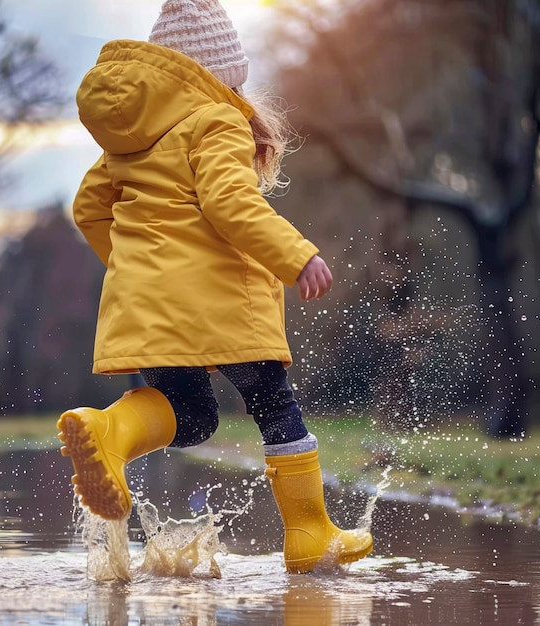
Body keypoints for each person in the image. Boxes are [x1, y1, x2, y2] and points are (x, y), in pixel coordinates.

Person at [57, 0, 373, 574]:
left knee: (190, 414)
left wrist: (138, 272)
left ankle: (111, 428)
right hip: (225, 303)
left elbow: (87, 210)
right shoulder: (216, 120)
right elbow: (230, 202)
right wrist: (295, 258)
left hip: (148, 309)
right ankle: (309, 535)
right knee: (275, 406)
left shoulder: (127, 143)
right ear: (219, 76)